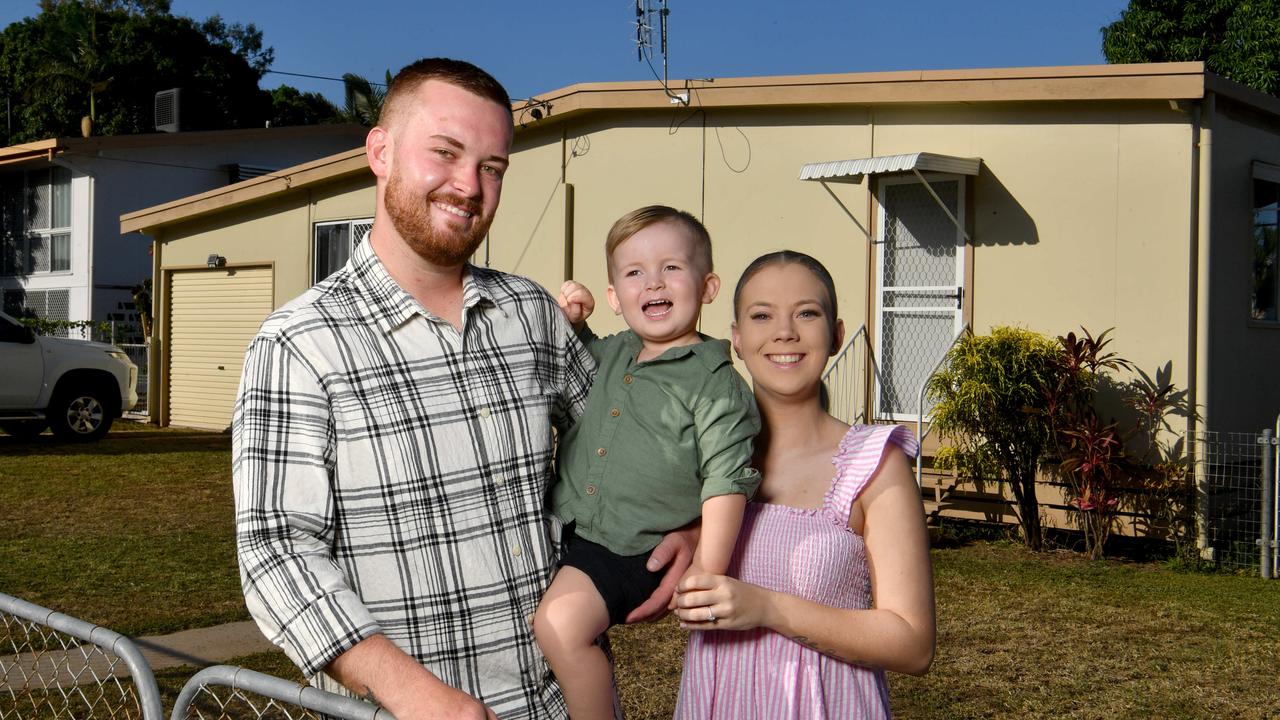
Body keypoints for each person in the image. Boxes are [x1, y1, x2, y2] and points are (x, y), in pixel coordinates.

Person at [232, 58, 694, 720]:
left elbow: (637, 439)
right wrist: (410, 692)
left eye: (493, 167)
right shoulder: (298, 345)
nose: (469, 185)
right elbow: (278, 554)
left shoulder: (533, 316)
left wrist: (695, 526)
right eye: (445, 153)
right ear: (380, 152)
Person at [672, 251, 936, 719]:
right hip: (716, 701)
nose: (784, 332)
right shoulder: (697, 460)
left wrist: (768, 608)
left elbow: (913, 645)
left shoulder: (874, 462)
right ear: (736, 338)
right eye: (761, 315)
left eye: (807, 313)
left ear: (835, 335)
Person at [533, 206, 761, 719]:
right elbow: (578, 355)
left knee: (560, 624)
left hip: (630, 546)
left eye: (671, 268)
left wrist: (706, 569)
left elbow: (726, 481)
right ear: (615, 297)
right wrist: (575, 319)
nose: (653, 282)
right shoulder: (613, 352)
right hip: (570, 526)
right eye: (634, 273)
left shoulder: (715, 384)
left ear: (708, 287)